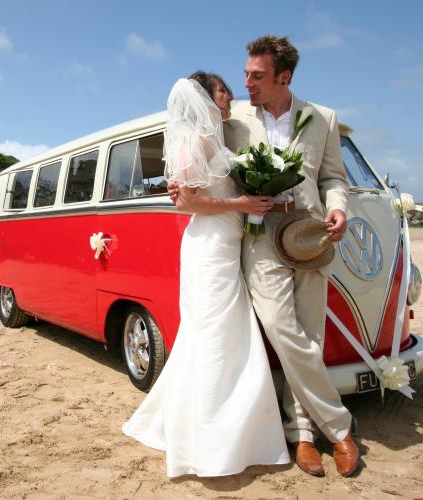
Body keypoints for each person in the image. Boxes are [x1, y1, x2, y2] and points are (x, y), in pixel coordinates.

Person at [122, 72, 290, 477]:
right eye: (223, 100)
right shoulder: (193, 141)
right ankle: (213, 439)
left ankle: (228, 426)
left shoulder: (216, 140)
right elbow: (188, 203)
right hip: (210, 247)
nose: (228, 107)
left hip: (229, 242)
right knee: (218, 334)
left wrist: (255, 202)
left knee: (223, 333)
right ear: (203, 101)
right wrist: (243, 201)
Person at [223, 35, 359, 477]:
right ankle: (339, 427)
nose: (247, 82)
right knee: (283, 330)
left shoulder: (323, 117)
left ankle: (302, 434)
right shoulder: (235, 118)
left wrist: (338, 208)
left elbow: (333, 178)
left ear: (285, 77)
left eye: (257, 76)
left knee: (310, 335)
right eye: (246, 74)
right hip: (261, 235)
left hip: (311, 234)